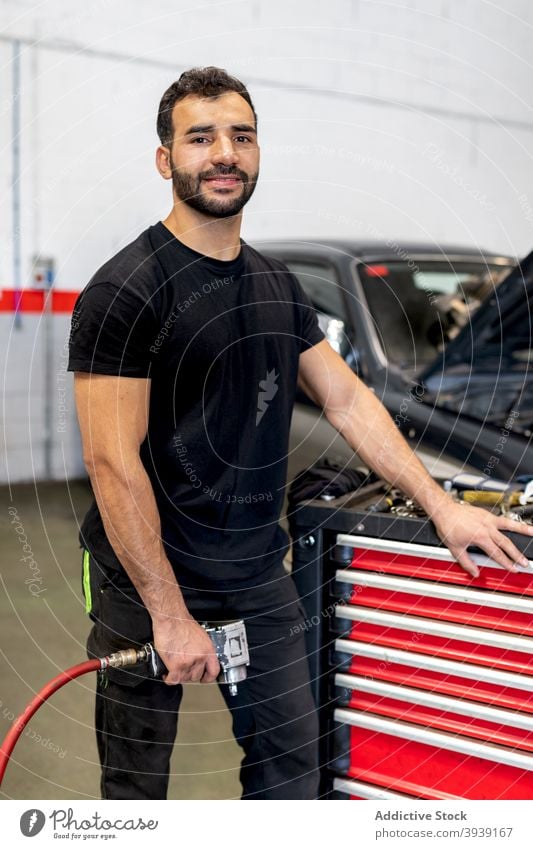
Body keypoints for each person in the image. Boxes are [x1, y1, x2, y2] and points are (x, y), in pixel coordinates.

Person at [67, 66, 533, 801]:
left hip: (256, 575)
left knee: (293, 772)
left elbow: (346, 400)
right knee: (134, 791)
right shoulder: (125, 289)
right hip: (144, 581)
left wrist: (440, 505)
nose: (224, 153)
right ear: (166, 160)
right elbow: (109, 460)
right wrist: (168, 613)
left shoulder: (275, 284)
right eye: (200, 137)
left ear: (257, 153)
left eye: (241, 136)